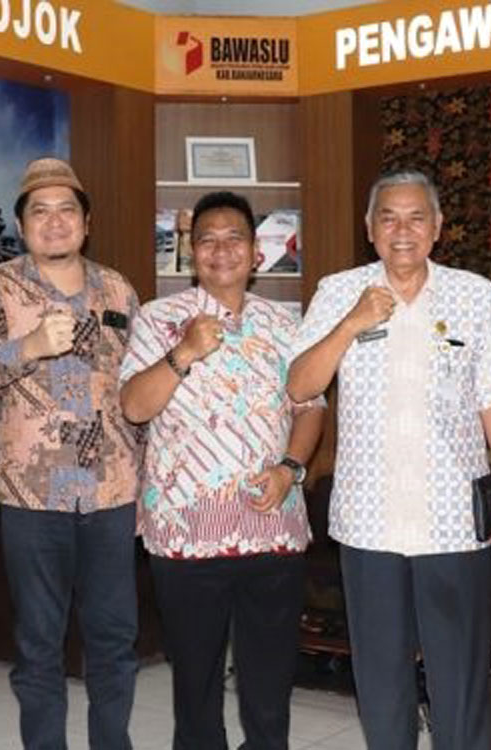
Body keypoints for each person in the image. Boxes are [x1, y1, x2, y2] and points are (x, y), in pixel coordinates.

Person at [286, 170, 491, 750]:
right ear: (369, 228)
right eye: (389, 218)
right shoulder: (338, 291)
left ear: (438, 227)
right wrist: (351, 323)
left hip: (454, 520)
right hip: (368, 520)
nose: (403, 231)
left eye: (416, 217)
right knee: (380, 675)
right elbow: (300, 385)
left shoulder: (475, 295)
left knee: (460, 673)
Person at [119, 191, 326, 750]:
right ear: (191, 254)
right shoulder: (158, 319)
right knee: (196, 684)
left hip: (272, 527)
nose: (221, 249)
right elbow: (133, 407)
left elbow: (310, 408)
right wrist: (182, 353)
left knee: (269, 682)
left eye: (235, 238)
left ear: (256, 252)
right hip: (187, 533)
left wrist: (290, 468)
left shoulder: (285, 324)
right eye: (207, 239)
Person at [0, 157, 142, 749]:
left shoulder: (118, 288)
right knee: (39, 644)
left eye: (67, 210)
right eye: (40, 211)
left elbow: (139, 386)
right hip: (34, 498)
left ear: (87, 222)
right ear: (21, 225)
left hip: (112, 493)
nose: (55, 221)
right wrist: (31, 345)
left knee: (114, 640)